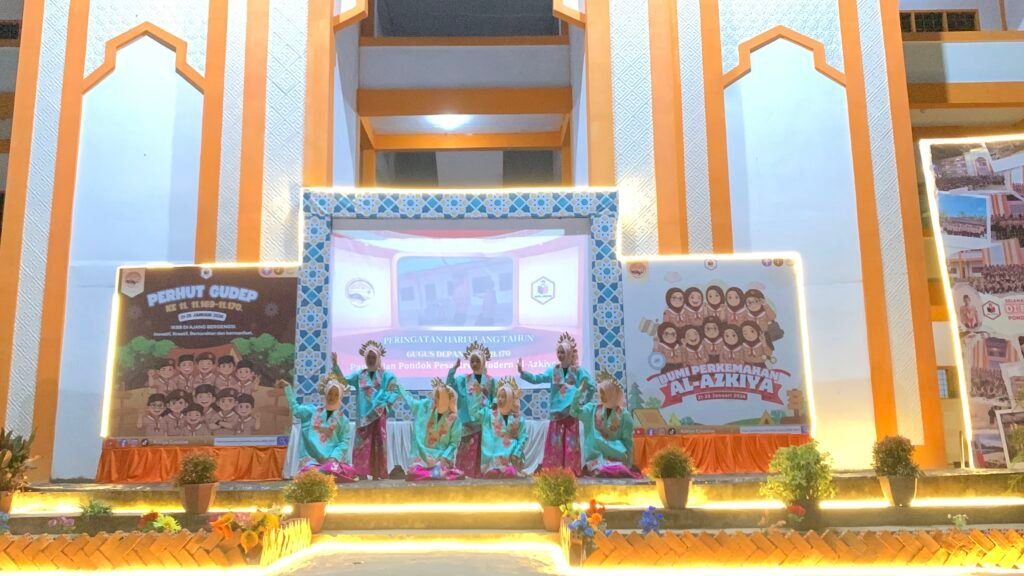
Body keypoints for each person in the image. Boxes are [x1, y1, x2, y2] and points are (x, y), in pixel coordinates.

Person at [518, 332, 592, 475]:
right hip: (556, 414)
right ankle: (554, 472)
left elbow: (591, 385)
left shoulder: (578, 371)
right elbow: (537, 379)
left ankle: (571, 471)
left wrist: (584, 401)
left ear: (570, 353)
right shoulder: (554, 370)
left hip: (571, 413)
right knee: (555, 444)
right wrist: (523, 372)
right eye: (559, 352)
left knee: (571, 444)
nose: (560, 355)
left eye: (563, 352)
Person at [335, 342, 399, 480]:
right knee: (362, 445)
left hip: (378, 414)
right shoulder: (359, 374)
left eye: (373, 357)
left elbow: (395, 390)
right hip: (363, 415)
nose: (370, 360)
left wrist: (386, 403)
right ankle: (361, 473)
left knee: (378, 443)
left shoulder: (386, 375)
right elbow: (343, 382)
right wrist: (336, 366)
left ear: (378, 358)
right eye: (368, 357)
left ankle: (377, 473)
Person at [283, 373, 358, 482]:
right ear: (326, 394)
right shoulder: (312, 411)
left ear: (340, 397)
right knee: (309, 472)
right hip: (313, 460)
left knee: (338, 470)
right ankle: (322, 473)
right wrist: (288, 389)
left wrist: (333, 458)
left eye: (336, 394)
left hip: (332, 461)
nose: (332, 397)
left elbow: (344, 442)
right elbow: (296, 410)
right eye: (330, 393)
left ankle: (326, 472)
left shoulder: (343, 420)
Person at [571, 371, 639, 478]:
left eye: (605, 393)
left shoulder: (624, 415)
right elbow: (574, 411)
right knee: (599, 471)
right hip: (595, 460)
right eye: (600, 392)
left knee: (615, 471)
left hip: (616, 459)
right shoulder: (591, 409)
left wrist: (628, 465)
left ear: (613, 394)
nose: (601, 396)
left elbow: (628, 442)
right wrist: (580, 392)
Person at [396, 377, 465, 481]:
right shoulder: (424, 407)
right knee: (413, 473)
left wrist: (444, 458)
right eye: (436, 397)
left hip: (441, 457)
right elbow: (409, 400)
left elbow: (454, 443)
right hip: (423, 455)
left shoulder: (454, 418)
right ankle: (436, 474)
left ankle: (434, 473)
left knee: (447, 471)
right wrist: (397, 385)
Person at [446, 341, 497, 478]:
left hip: (483, 423)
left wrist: (490, 406)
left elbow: (496, 399)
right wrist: (453, 369)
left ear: (483, 362)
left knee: (482, 451)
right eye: (472, 361)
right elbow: (449, 386)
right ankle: (464, 476)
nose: (474, 364)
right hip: (467, 423)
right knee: (466, 453)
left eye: (477, 361)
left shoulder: (491, 381)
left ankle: (481, 476)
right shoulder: (463, 380)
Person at [473, 376, 529, 478]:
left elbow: (523, 437)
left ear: (510, 399)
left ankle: (508, 470)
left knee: (509, 471)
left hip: (512, 457)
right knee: (495, 473)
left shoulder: (518, 418)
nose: (500, 399)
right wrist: (477, 395)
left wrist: (516, 453)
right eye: (498, 396)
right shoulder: (488, 414)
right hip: (493, 458)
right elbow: (474, 414)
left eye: (503, 397)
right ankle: (499, 470)